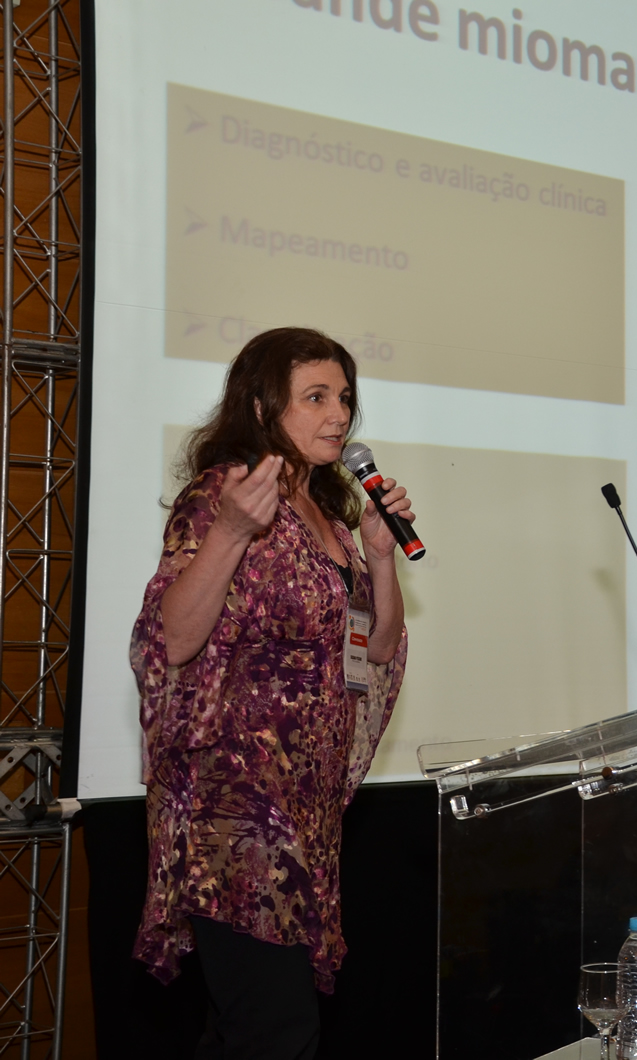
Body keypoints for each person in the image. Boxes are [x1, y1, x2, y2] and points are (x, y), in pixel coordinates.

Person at [130, 327, 415, 1058]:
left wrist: (380, 558)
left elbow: (377, 651)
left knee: (243, 1031)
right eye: (315, 397)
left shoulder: (335, 522)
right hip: (235, 813)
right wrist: (230, 532)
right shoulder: (220, 498)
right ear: (262, 407)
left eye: (344, 397)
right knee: (278, 1031)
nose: (339, 414)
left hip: (305, 812)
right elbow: (170, 641)